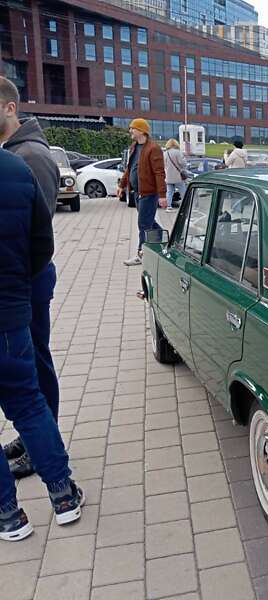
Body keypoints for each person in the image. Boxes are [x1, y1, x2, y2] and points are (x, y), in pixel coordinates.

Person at [0, 148, 84, 541]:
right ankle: (63, 495)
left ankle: (9, 516)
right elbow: (41, 244)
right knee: (30, 404)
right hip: (11, 315)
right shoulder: (16, 170)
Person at [0, 76, 61, 479]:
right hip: (21, 283)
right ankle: (34, 437)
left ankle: (44, 443)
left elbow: (37, 231)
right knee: (32, 365)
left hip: (26, 284)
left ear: (9, 107)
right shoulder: (16, 151)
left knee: (36, 364)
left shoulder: (30, 157)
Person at [117, 118, 167, 266]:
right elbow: (129, 168)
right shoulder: (134, 147)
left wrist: (162, 195)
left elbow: (159, 173)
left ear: (141, 131)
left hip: (149, 193)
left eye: (133, 128)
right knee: (149, 222)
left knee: (143, 224)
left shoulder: (153, 148)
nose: (130, 131)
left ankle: (141, 254)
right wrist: (122, 185)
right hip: (137, 192)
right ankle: (167, 241)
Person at [163, 139, 188, 212]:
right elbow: (182, 163)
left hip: (168, 177)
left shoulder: (165, 153)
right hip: (178, 177)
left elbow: (163, 165)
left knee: (169, 192)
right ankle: (185, 206)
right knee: (183, 191)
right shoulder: (178, 152)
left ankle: (169, 206)